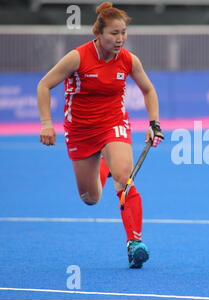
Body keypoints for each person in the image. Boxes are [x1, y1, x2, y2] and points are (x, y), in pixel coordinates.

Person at [37, 2, 164, 269]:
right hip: (80, 131)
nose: (120, 39)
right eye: (113, 34)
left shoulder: (129, 60)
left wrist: (154, 123)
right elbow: (44, 85)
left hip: (113, 123)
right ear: (98, 34)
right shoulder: (78, 57)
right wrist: (46, 123)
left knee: (123, 178)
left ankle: (135, 243)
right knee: (90, 198)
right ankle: (103, 167)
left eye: (123, 33)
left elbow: (149, 90)